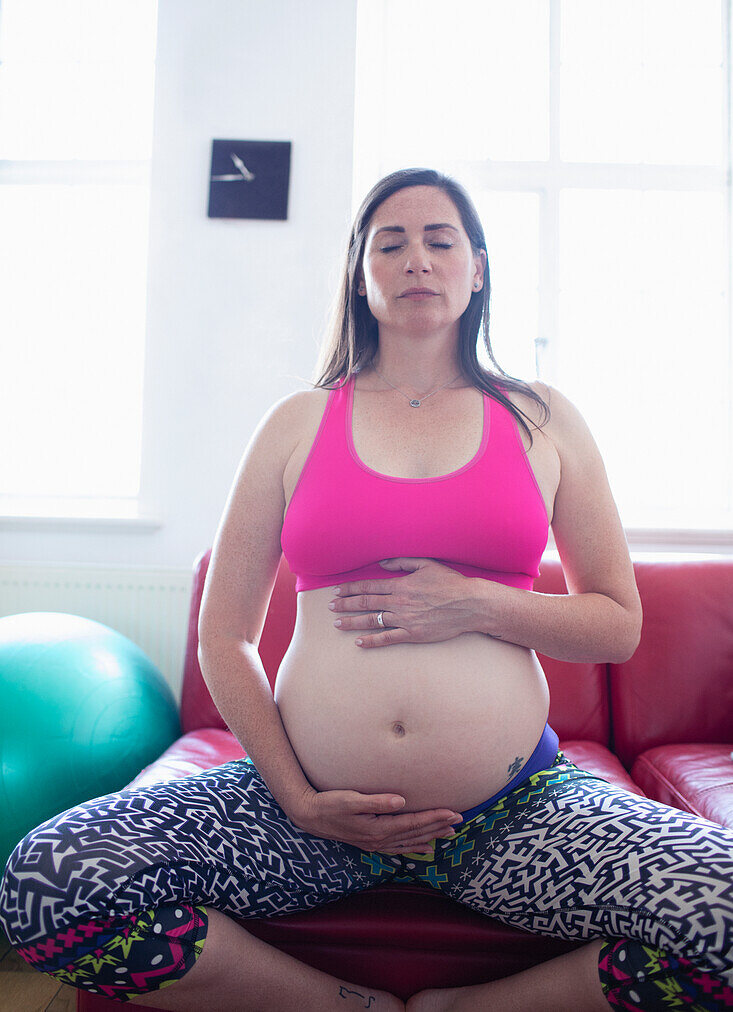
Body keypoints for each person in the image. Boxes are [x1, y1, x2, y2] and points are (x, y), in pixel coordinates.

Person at [0, 167, 731, 1012]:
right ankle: (343, 1007)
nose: (415, 258)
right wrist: (297, 796)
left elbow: (615, 626)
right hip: (305, 813)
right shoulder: (296, 422)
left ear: (478, 268)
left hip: (505, 811)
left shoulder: (542, 418)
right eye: (389, 243)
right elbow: (223, 636)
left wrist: (476, 603)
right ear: (360, 273)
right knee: (46, 883)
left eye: (439, 240)